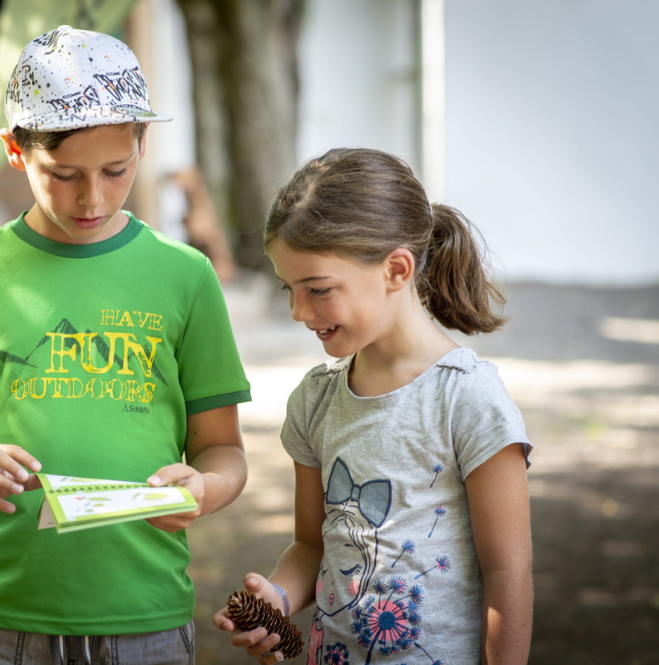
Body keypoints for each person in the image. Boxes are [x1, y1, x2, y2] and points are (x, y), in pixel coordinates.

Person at [0, 25, 251, 665]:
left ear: (143, 143)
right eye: (62, 174)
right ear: (14, 150)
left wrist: (206, 490)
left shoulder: (185, 276)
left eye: (117, 170)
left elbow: (223, 450)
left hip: (144, 618)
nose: (92, 197)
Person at [213, 148, 533, 664]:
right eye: (289, 289)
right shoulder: (315, 400)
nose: (298, 311)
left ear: (396, 269)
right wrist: (276, 597)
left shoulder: (468, 399)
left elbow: (508, 572)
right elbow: (312, 547)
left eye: (317, 289)